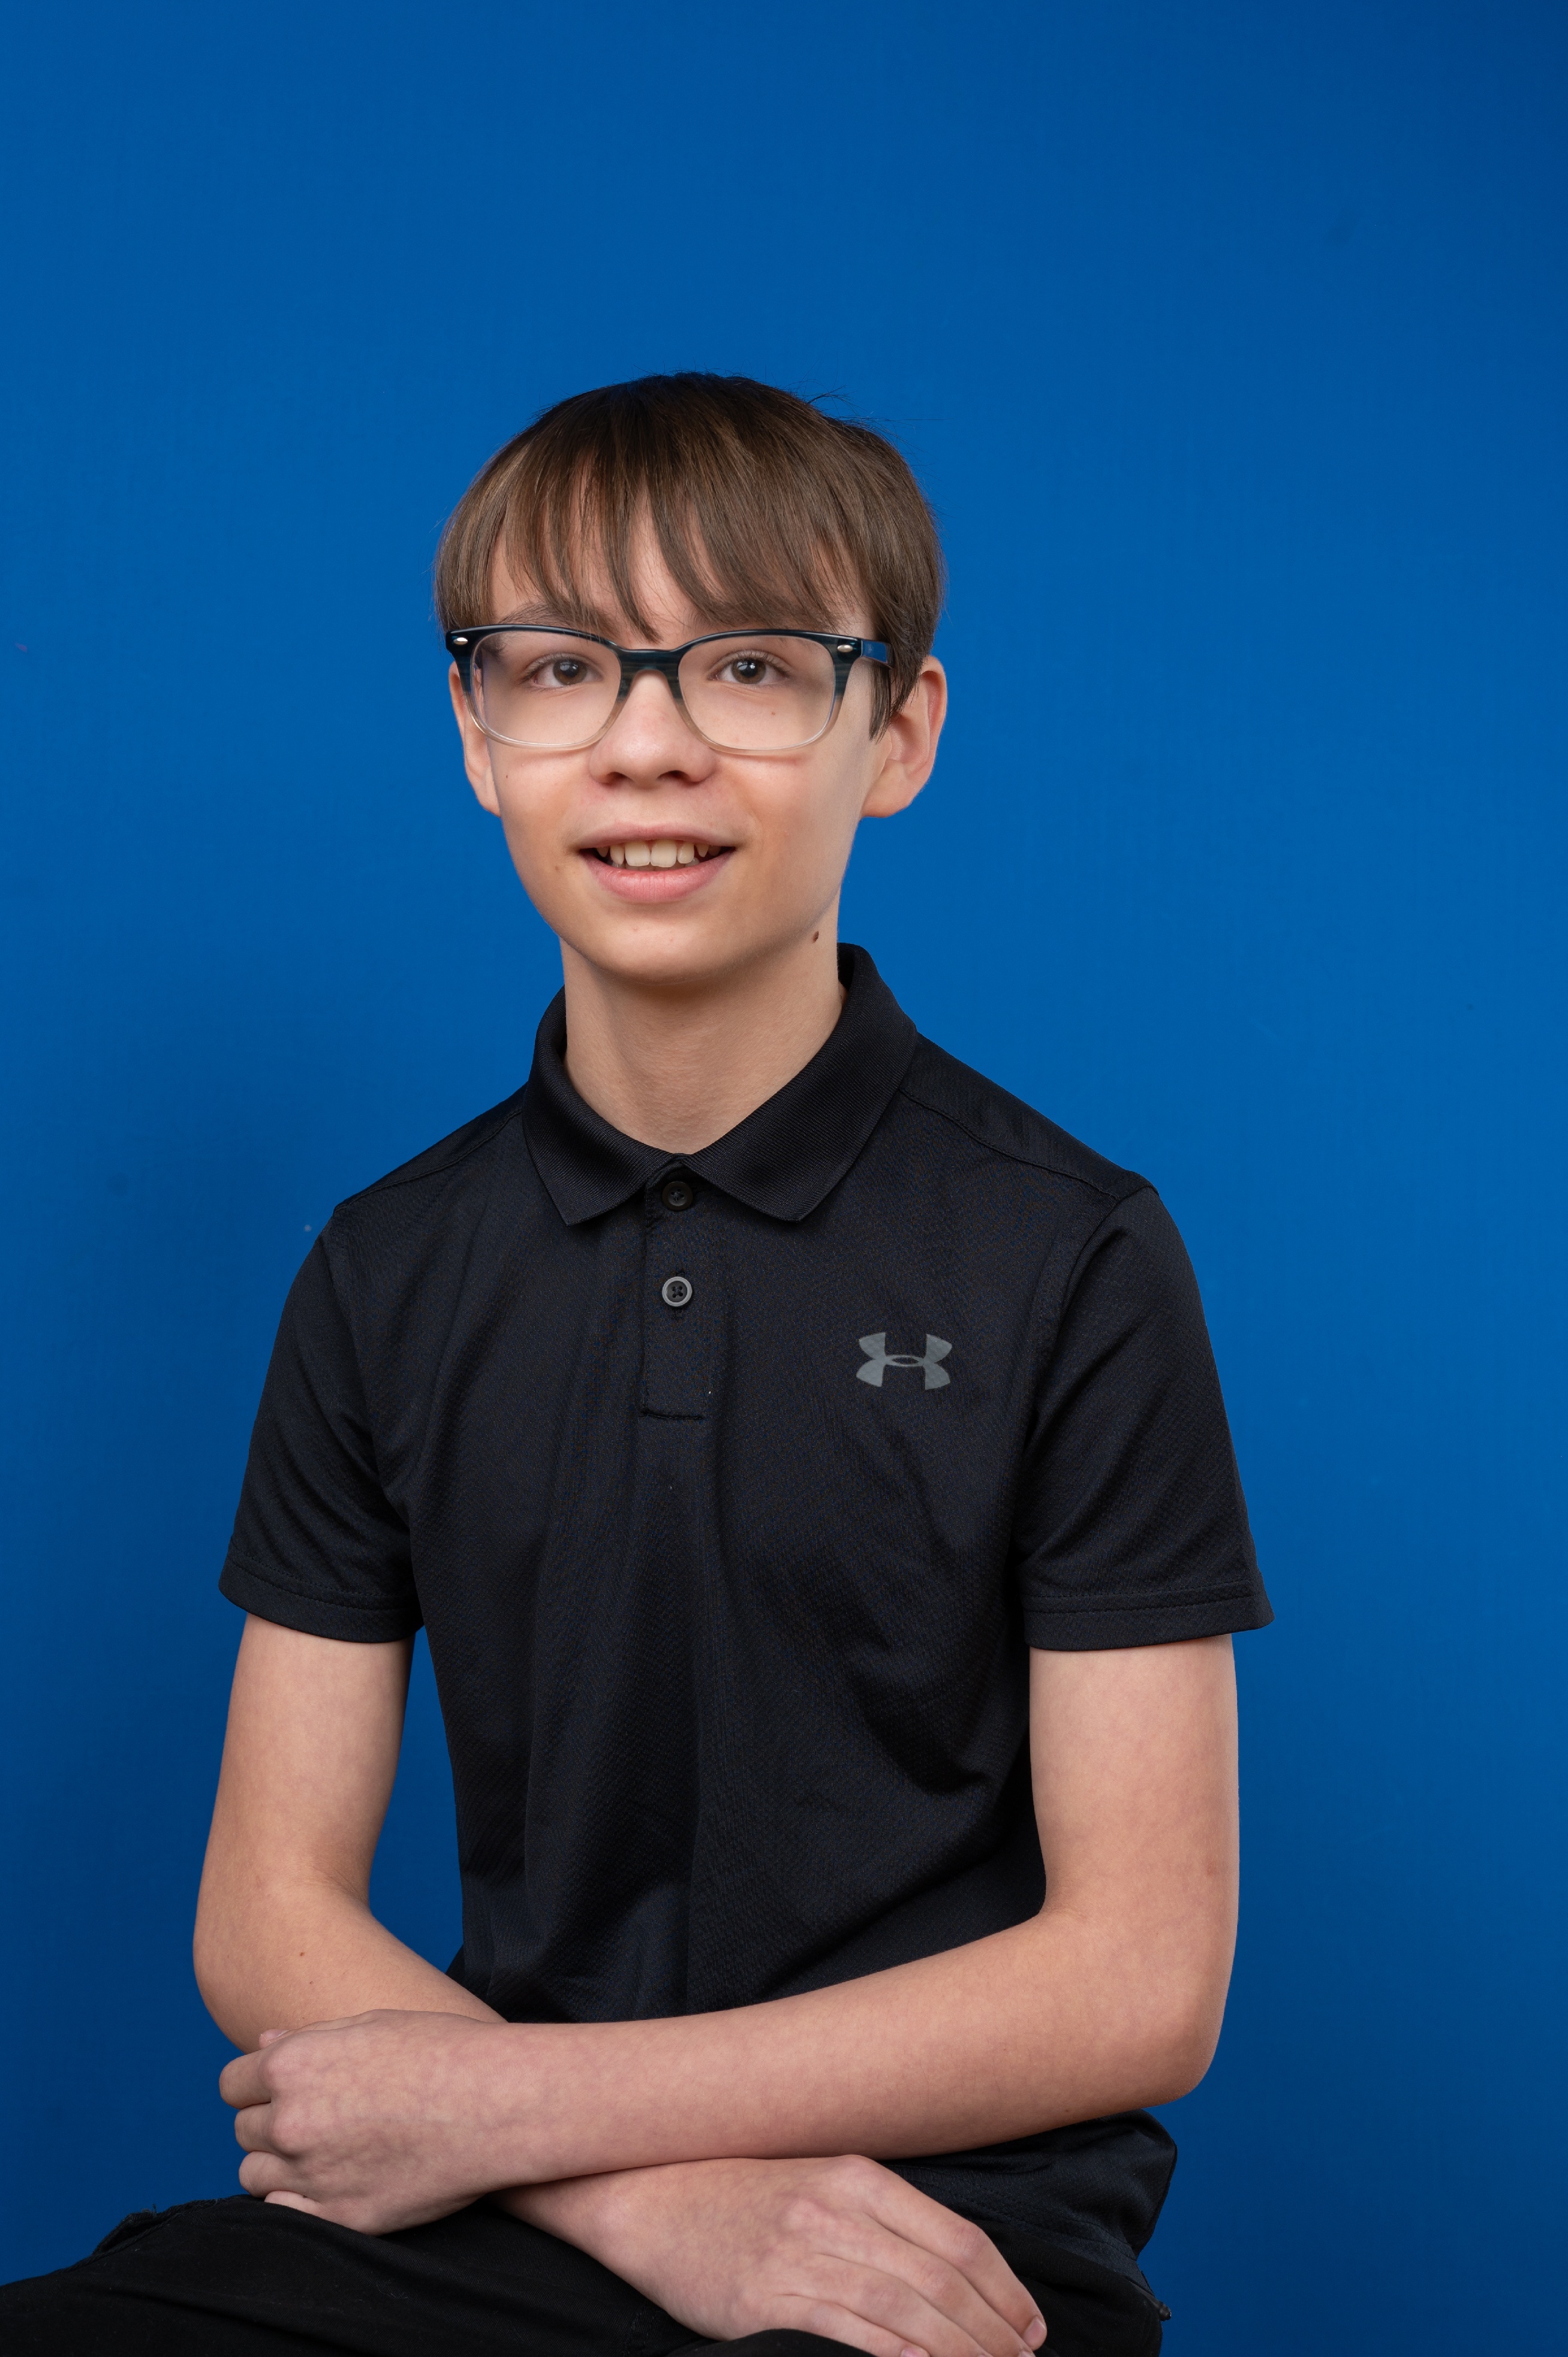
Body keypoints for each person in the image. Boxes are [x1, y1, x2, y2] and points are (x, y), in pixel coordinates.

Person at [0, 375, 1271, 2357]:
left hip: (933, 2233)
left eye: (749, 666)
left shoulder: (1074, 1254)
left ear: (898, 732)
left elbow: (1140, 1975)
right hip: (501, 2211)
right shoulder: (384, 1269)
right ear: (477, 734)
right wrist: (645, 2196)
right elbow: (264, 1906)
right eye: (562, 667)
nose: (646, 742)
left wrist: (521, 2108)